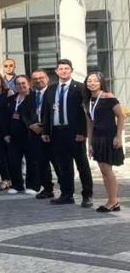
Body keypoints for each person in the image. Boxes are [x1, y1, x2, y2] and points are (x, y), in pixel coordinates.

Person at [43, 59, 94, 207]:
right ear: (56, 71)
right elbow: (47, 112)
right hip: (57, 133)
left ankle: (87, 195)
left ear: (71, 70)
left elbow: (86, 113)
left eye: (66, 68)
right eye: (61, 69)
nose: (63, 71)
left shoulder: (80, 88)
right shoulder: (51, 89)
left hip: (75, 133)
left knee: (82, 165)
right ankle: (67, 194)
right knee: (64, 167)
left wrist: (83, 132)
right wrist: (45, 131)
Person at [84, 72, 123, 212]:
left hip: (109, 137)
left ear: (101, 83)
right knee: (103, 171)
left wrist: (118, 136)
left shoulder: (109, 97)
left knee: (107, 170)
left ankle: (113, 201)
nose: (92, 83)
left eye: (95, 80)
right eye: (89, 81)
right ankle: (112, 201)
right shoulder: (87, 101)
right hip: (97, 139)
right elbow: (89, 124)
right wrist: (90, 143)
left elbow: (121, 116)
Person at [27, 69, 55, 199]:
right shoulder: (30, 96)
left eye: (41, 78)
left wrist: (44, 127)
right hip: (35, 133)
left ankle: (66, 191)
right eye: (35, 79)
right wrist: (31, 125)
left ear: (47, 78)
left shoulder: (54, 93)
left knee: (57, 162)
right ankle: (47, 189)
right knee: (41, 163)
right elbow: (24, 113)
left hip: (51, 133)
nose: (38, 80)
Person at [3, 75, 32, 194]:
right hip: (13, 136)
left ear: (28, 84)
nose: (21, 86)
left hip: (29, 135)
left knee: (31, 162)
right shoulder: (11, 99)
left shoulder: (33, 98)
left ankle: (32, 185)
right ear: (15, 86)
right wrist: (6, 134)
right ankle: (17, 185)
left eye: (23, 83)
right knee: (14, 161)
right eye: (18, 84)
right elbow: (6, 117)